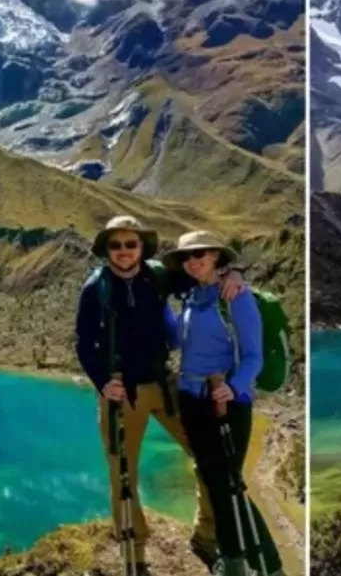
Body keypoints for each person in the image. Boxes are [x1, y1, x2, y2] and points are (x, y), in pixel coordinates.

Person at [74, 216, 244, 575]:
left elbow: (202, 273)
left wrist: (233, 274)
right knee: (123, 473)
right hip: (122, 389)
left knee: (205, 453)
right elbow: (84, 343)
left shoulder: (157, 276)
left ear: (142, 248)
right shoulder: (95, 288)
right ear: (107, 249)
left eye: (130, 244)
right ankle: (134, 551)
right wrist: (103, 382)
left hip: (163, 382)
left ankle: (207, 534)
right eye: (116, 245)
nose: (123, 252)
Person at [164, 230, 285, 576]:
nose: (192, 260)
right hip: (192, 401)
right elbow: (175, 341)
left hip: (225, 403)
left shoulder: (235, 296)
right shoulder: (191, 298)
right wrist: (157, 302)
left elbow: (253, 356)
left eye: (200, 253)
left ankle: (261, 564)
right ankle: (239, 562)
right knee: (215, 481)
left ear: (217, 255)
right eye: (186, 256)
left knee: (228, 485)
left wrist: (234, 387)